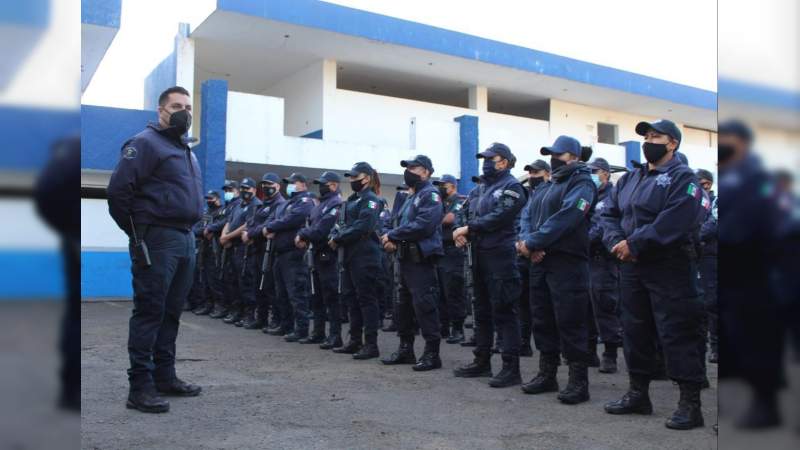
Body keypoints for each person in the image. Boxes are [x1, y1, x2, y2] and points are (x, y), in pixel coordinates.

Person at [601, 119, 706, 430]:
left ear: (672, 143)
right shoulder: (630, 178)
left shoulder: (683, 178)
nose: (649, 141)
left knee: (677, 331)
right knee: (634, 329)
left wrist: (635, 243)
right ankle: (638, 393)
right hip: (631, 265)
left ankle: (690, 403)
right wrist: (616, 242)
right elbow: (608, 214)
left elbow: (677, 219)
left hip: (668, 264)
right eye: (646, 137)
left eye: (655, 136)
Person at [107, 86, 203, 413]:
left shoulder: (186, 151)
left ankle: (165, 376)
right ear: (161, 110)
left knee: (172, 312)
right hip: (158, 238)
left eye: (188, 107)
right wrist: (139, 234)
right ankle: (140, 387)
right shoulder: (145, 144)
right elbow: (119, 193)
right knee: (150, 311)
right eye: (177, 106)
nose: (183, 112)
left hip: (185, 238)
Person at [516, 136, 596, 404]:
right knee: (543, 319)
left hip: (567, 262)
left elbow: (568, 217)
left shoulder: (582, 182)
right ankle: (547, 373)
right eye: (551, 154)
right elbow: (527, 216)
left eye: (558, 154)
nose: (553, 158)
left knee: (571, 321)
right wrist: (528, 243)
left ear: (573, 156)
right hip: (540, 261)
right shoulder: (547, 186)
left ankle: (578, 381)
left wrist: (534, 242)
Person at [452, 143, 527, 388]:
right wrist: (460, 230)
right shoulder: (481, 188)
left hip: (501, 255)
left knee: (505, 311)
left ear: (503, 161)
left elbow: (500, 216)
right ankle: (481, 361)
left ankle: (510, 367)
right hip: (479, 255)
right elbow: (463, 212)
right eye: (483, 158)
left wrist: (470, 229)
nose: (485, 162)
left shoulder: (512, 187)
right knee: (481, 311)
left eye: (490, 158)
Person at [381, 155, 445, 371]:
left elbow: (424, 224)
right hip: (403, 257)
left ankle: (432, 353)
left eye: (414, 167)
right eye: (407, 167)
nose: (409, 171)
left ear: (426, 171)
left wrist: (394, 236)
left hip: (421, 259)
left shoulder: (431, 194)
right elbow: (392, 221)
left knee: (424, 305)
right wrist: (389, 236)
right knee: (403, 306)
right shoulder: (410, 196)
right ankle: (406, 348)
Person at [329, 162, 384, 360]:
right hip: (350, 257)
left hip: (365, 257)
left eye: (355, 177)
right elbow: (340, 224)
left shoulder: (371, 200)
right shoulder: (352, 199)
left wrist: (338, 238)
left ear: (367, 178)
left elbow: (363, 225)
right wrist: (334, 234)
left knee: (366, 300)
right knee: (352, 300)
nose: (352, 180)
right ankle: (354, 340)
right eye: (350, 177)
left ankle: (371, 344)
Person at [296, 171, 344, 348]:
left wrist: (302, 235)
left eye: (324, 183)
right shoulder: (322, 204)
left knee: (330, 296)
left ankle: (335, 335)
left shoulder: (336, 203)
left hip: (328, 256)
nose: (321, 186)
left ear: (333, 185)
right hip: (316, 254)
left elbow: (321, 230)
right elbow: (311, 225)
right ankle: (318, 331)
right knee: (316, 295)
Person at [264, 173, 314, 341]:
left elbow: (292, 219)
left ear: (303, 185)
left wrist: (271, 227)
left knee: (296, 293)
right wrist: (271, 227)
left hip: (294, 253)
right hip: (280, 253)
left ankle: (302, 329)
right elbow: (277, 219)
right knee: (282, 293)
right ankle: (286, 326)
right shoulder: (287, 203)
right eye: (288, 183)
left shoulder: (305, 201)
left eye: (294, 183)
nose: (290, 185)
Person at [586, 157, 623, 373]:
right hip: (586, 259)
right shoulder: (588, 194)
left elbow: (602, 226)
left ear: (606, 174)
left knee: (605, 306)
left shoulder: (611, 196)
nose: (592, 175)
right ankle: (590, 351)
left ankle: (610, 353)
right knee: (585, 308)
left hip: (603, 259)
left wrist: (582, 241)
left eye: (595, 171)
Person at [517, 160, 551, 357]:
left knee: (546, 305)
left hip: (544, 254)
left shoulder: (552, 193)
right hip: (526, 254)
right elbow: (524, 222)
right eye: (530, 173)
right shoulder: (530, 195)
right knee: (524, 301)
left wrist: (534, 245)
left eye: (536, 172)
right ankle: (524, 341)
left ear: (547, 173)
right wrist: (524, 245)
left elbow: (550, 225)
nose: (532, 177)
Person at [247, 173, 287, 332]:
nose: (266, 187)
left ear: (277, 186)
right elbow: (252, 223)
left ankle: (275, 319)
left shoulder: (280, 204)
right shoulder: (263, 203)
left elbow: (269, 224)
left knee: (270, 286)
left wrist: (251, 234)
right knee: (258, 286)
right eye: (264, 184)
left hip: (269, 249)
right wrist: (251, 233)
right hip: (257, 248)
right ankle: (261, 318)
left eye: (269, 184)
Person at [432, 174, 468, 344]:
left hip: (453, 251)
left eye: (443, 185)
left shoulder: (459, 200)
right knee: (439, 291)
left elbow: (451, 218)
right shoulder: (441, 202)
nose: (440, 188)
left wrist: (432, 218)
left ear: (452, 186)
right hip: (440, 250)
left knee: (453, 290)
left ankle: (458, 329)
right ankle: (443, 326)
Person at [206, 180, 241, 319]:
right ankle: (224, 307)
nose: (227, 193)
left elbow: (228, 222)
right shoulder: (228, 206)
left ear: (237, 191)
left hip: (233, 247)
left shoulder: (237, 205)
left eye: (230, 190)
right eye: (226, 191)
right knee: (222, 279)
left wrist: (212, 229)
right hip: (220, 246)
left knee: (232, 281)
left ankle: (232, 309)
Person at [695, 168, 718, 364]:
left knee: (712, 302)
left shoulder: (717, 202)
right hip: (695, 256)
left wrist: (693, 236)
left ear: (707, 184)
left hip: (710, 257)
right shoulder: (692, 202)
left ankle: (716, 346)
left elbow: (711, 226)